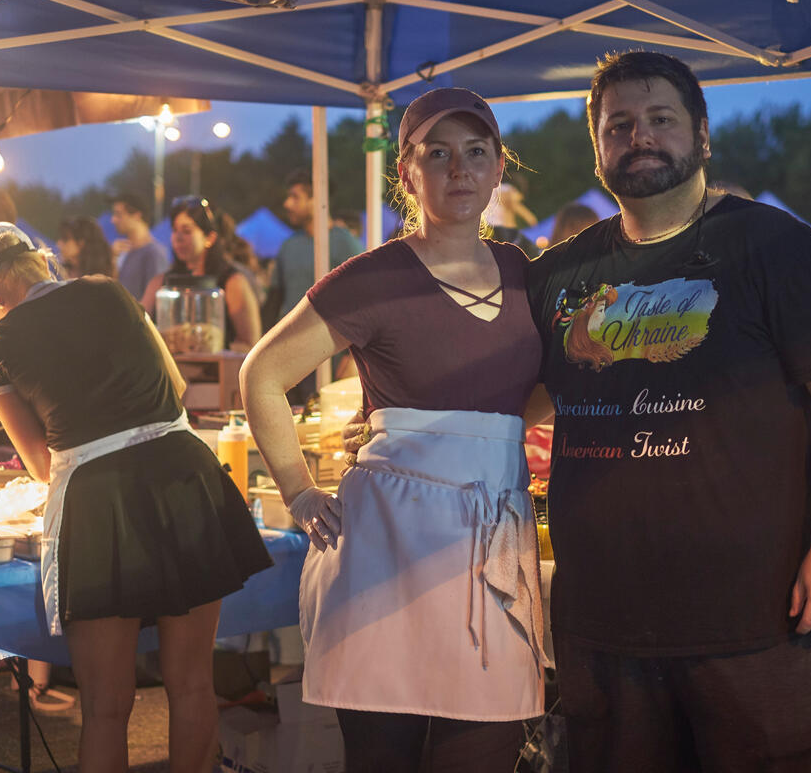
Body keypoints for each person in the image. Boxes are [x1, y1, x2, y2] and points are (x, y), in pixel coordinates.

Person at [524, 51, 811, 772]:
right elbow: (516, 400)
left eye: (661, 119)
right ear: (597, 149)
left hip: (750, 612)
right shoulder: (560, 274)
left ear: (703, 136)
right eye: (618, 125)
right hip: (601, 614)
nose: (640, 137)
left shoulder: (775, 247)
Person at [241, 88, 545, 772]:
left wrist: (470, 440)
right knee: (384, 755)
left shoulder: (527, 276)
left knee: (484, 748)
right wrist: (297, 491)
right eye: (437, 154)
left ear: (499, 168)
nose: (459, 169)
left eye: (475, 152)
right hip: (387, 550)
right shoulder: (373, 278)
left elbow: (536, 392)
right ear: (407, 173)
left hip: (491, 540)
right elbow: (262, 374)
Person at [0, 222, 272, 772]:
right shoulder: (109, 289)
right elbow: (175, 387)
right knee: (193, 683)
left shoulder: (0, 343)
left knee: (105, 705)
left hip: (100, 502)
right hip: (184, 474)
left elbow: (39, 464)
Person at [143, 196, 262, 352]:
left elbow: (251, 344)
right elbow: (140, 327)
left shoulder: (232, 282)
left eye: (187, 231)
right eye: (174, 230)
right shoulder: (160, 283)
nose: (178, 238)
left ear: (210, 238)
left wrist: (209, 347)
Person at [265, 169, 364, 324]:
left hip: (330, 337)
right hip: (292, 335)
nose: (287, 204)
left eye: (295, 197)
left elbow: (361, 299)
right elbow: (274, 301)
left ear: (317, 199)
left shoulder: (345, 243)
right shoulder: (289, 245)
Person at [109, 193, 170, 301]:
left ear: (136, 215)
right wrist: (112, 259)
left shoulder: (153, 253)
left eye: (118, 214)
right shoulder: (124, 250)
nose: (113, 220)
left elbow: (154, 300)